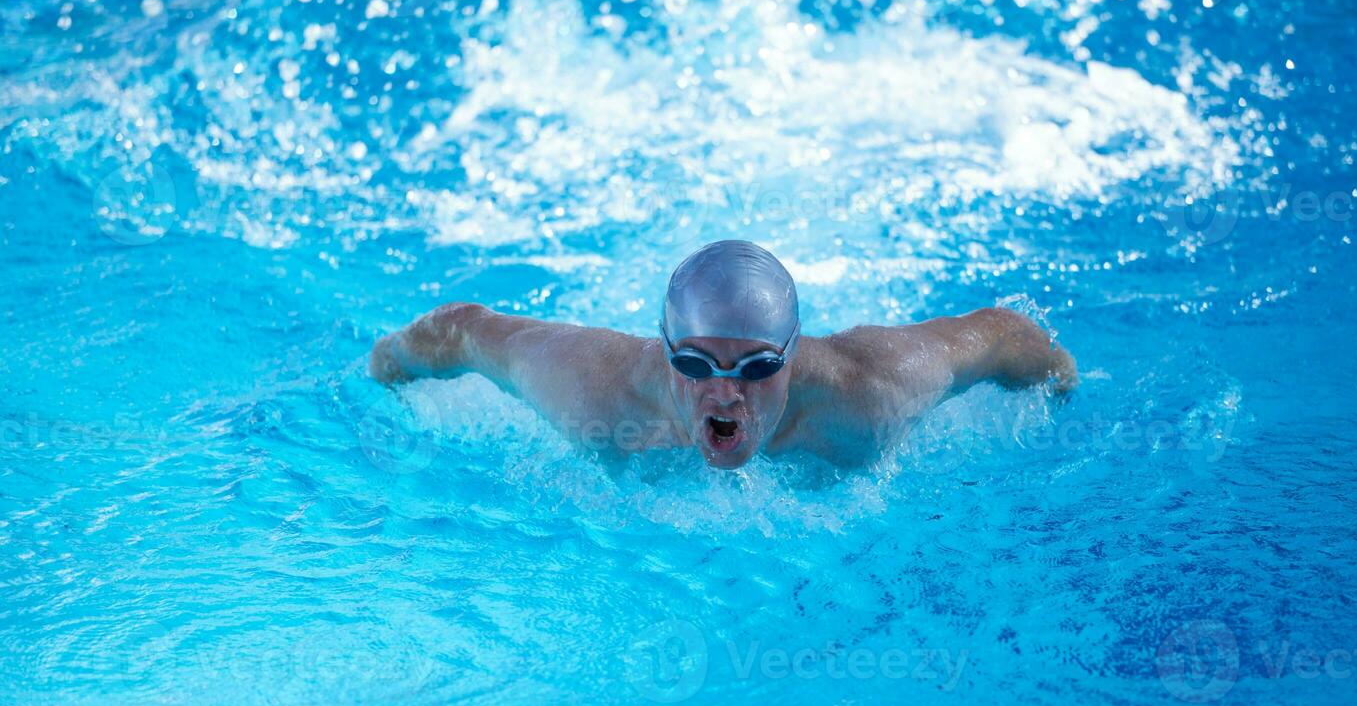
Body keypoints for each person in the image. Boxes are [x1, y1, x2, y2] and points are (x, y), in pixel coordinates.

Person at [369, 240, 1077, 469]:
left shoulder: (867, 397)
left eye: (758, 367)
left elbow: (1001, 335)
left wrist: (1063, 387)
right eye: (698, 365)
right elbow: (463, 328)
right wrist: (383, 374)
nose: (726, 393)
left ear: (793, 357)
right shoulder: (595, 396)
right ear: (666, 350)